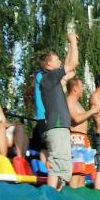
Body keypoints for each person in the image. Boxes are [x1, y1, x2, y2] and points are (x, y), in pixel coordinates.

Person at [38, 31, 79, 190]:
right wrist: (73, 43)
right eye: (56, 59)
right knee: (57, 165)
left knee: (64, 169)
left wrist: (70, 45)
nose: (60, 61)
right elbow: (73, 63)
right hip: (57, 126)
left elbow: (68, 66)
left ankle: (56, 196)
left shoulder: (53, 79)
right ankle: (48, 198)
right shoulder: (48, 77)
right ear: (49, 65)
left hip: (61, 127)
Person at [66, 77, 100, 188]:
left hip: (83, 140)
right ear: (75, 88)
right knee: (76, 174)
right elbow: (76, 118)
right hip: (75, 139)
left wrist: (94, 113)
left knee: (83, 174)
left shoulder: (77, 102)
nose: (83, 89)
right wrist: (92, 111)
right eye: (81, 87)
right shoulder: (69, 101)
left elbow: (81, 118)